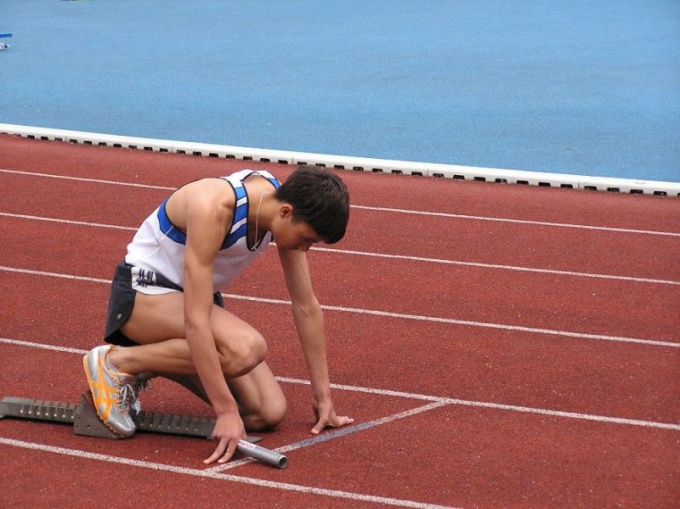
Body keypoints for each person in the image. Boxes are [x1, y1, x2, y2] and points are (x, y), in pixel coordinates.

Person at [82, 165, 354, 464]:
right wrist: (225, 412)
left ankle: (142, 366)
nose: (306, 249)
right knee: (245, 348)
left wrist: (323, 397)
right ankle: (116, 363)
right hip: (142, 295)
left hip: (186, 303)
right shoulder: (214, 206)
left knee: (266, 412)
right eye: (307, 239)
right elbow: (196, 320)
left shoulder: (281, 212)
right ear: (286, 212)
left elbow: (306, 305)